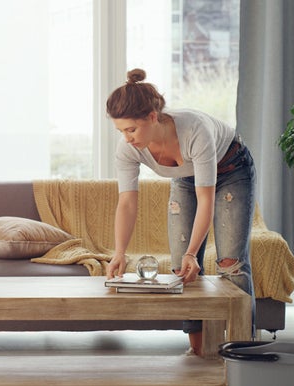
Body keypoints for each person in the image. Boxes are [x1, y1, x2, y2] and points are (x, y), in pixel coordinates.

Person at [104, 68, 256, 356]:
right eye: (120, 131)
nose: (126, 138)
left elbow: (206, 199)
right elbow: (127, 202)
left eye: (131, 129)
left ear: (152, 117)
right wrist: (119, 252)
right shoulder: (128, 149)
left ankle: (243, 354)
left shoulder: (194, 129)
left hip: (231, 169)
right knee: (180, 270)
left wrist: (193, 251)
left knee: (230, 264)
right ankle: (199, 352)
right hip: (186, 179)